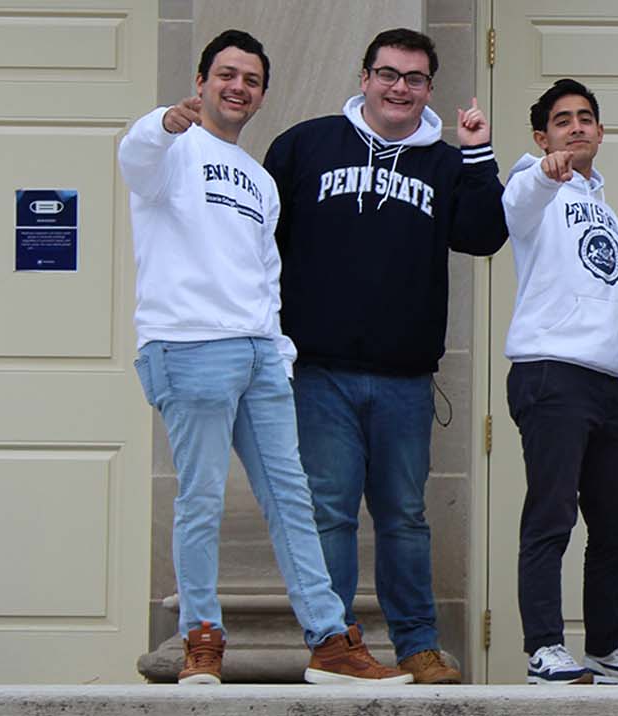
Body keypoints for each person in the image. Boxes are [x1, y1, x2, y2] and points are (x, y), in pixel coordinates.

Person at [119, 29, 410, 686]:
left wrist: (276, 353)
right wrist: (163, 123)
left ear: (261, 94)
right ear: (200, 82)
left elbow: (263, 273)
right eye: (226, 75)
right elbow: (135, 155)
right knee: (201, 499)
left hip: (258, 355)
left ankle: (330, 640)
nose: (237, 88)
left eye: (250, 80)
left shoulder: (257, 178)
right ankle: (201, 637)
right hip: (189, 347)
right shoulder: (169, 151)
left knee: (292, 499)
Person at [262, 27, 508, 685]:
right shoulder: (304, 146)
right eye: (388, 74)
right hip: (319, 371)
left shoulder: (446, 163)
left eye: (415, 78)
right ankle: (334, 642)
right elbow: (256, 244)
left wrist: (479, 151)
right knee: (331, 512)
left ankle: (418, 645)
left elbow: (485, 236)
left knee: (404, 517)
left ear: (430, 87)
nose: (400, 88)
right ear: (364, 76)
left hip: (405, 377)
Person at [501, 78, 618, 686]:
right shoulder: (534, 186)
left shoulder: (605, 208)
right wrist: (545, 173)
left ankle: (608, 646)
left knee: (616, 523)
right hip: (549, 370)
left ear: (600, 132)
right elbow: (518, 203)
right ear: (541, 135)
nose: (575, 127)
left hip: (604, 381)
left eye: (585, 119)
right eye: (561, 120)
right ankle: (544, 647)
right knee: (551, 516)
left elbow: (609, 303)